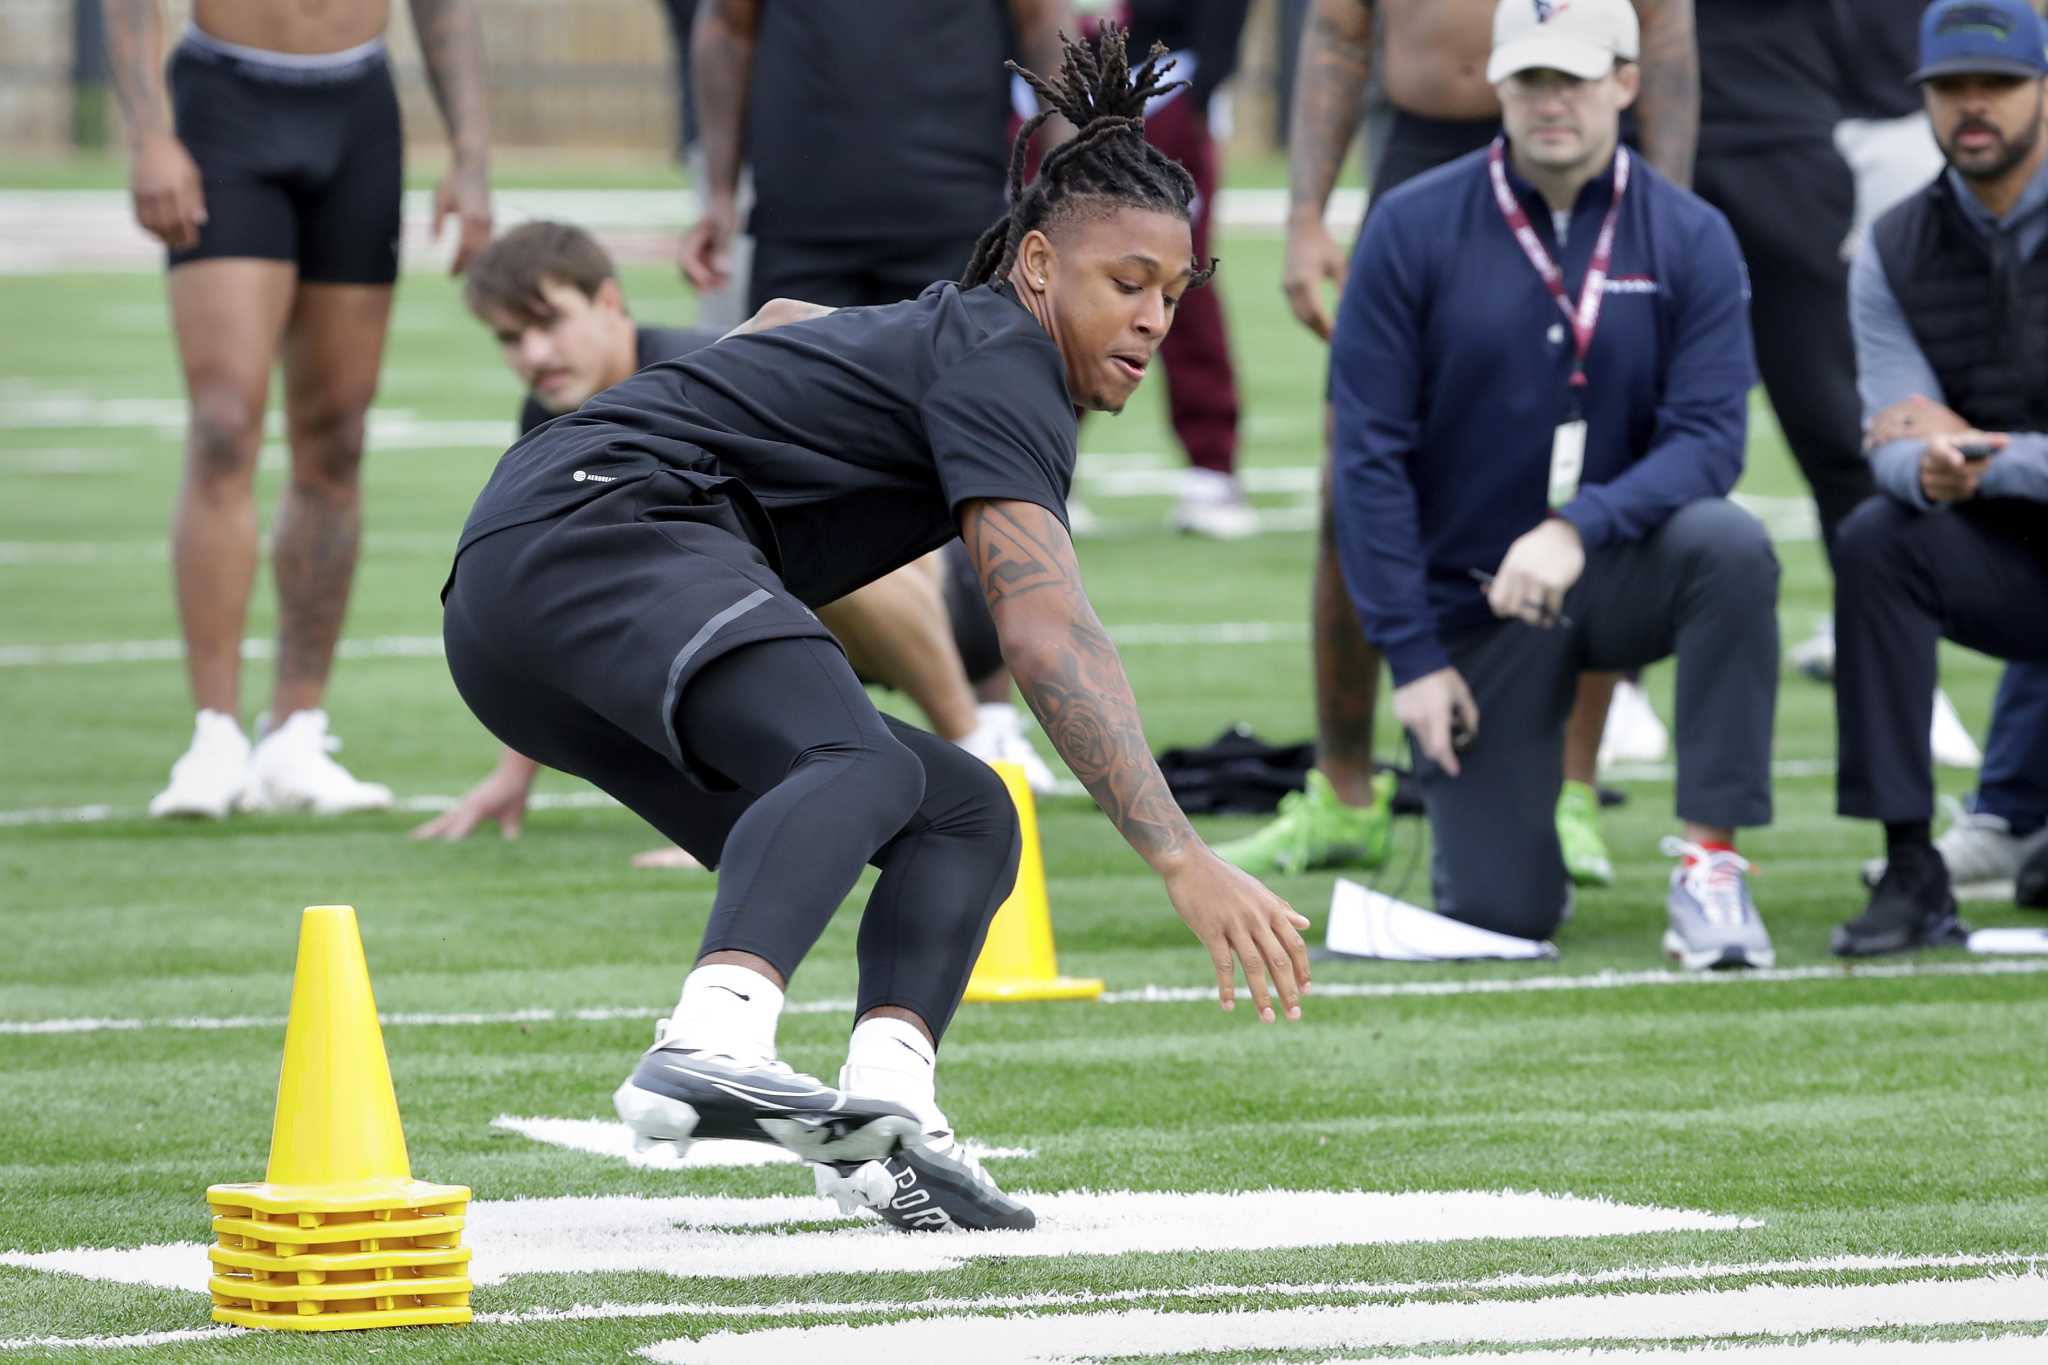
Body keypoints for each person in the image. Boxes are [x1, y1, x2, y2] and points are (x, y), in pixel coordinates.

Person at [439, 30, 1308, 1233]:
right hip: (602, 530)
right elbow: (1046, 633)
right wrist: (1179, 856)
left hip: (506, 625)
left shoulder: (956, 334)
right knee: (846, 756)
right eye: (1128, 283)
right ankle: (710, 1038)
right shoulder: (1008, 362)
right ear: (1041, 263)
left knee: (959, 808)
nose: (1155, 317)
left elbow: (786, 315)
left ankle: (888, 1125)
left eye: (1176, 290)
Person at [1331, 0, 1780, 965]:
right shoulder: (1410, 226)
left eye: (1574, 77)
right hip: (1475, 603)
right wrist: (1411, 657)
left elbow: (1712, 438)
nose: (1551, 101)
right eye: (1530, 78)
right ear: (1498, 86)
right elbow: (1366, 457)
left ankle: (1711, 864)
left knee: (1732, 547)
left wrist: (1579, 527)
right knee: (1502, 913)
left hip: (1614, 567)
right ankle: (1510, 842)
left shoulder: (1690, 233)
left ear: (1625, 80)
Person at [1232, 0, 1700, 889]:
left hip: (1583, 149)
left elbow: (1668, 42)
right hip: (1426, 150)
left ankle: (1570, 786)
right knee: (1355, 474)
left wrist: (1659, 213)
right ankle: (1344, 791)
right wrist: (1304, 211)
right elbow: (1337, 33)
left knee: (1593, 467)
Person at [412, 221, 1020, 846]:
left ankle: (979, 745)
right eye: (512, 338)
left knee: (750, 575)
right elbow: (557, 596)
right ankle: (754, 798)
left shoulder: (703, 365)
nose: (534, 355)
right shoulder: (550, 414)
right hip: (785, 601)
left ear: (610, 303)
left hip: (935, 594)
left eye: (550, 324)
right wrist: (516, 769)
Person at [105, 0, 492, 819]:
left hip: (357, 107)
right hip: (225, 101)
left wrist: (471, 152)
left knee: (339, 436)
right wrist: (147, 130)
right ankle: (213, 737)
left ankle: (296, 732)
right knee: (223, 424)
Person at [683, 0, 1072, 789]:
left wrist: (1063, 186)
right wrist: (719, 188)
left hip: (956, 203)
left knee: (978, 460)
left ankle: (990, 712)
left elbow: (1045, 27)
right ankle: (808, 714)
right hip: (804, 213)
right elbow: (725, 28)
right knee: (779, 465)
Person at [1831, 0, 2048, 957]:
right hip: (2009, 558)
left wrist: (1984, 450)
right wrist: (1921, 462)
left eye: (1997, 85)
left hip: (2005, 506)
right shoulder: (1891, 247)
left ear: (2044, 91)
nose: (1973, 107)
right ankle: (1912, 866)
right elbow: (1888, 430)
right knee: (1877, 536)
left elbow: (1960, 440)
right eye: (1951, 87)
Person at [1121, 0, 1259, 539]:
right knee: (1057, 278)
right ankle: (1038, 453)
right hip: (1062, 91)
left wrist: (1201, 92)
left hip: (1164, 87)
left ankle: (1211, 465)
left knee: (1179, 280)